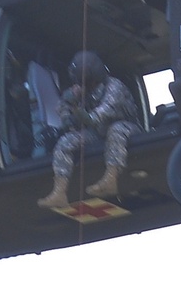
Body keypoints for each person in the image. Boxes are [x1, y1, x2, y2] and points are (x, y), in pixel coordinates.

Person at [37, 51, 141, 210]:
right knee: (66, 142)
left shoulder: (114, 88)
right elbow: (62, 107)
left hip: (128, 129)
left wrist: (77, 111)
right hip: (98, 133)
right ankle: (59, 193)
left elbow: (95, 118)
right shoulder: (82, 90)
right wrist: (68, 112)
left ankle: (111, 179)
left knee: (116, 130)